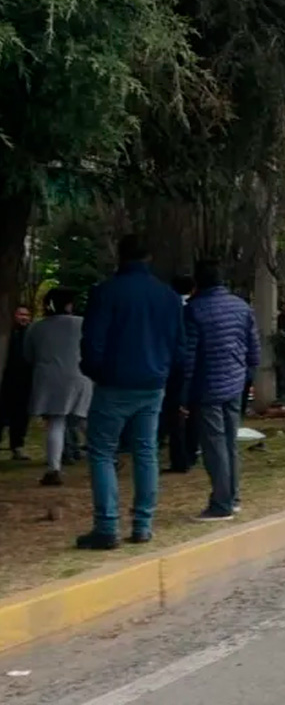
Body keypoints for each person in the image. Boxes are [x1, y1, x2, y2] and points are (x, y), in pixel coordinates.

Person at [77, 234, 184, 550]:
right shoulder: (167, 295)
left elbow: (92, 341)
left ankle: (106, 525)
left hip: (114, 382)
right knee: (145, 450)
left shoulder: (105, 293)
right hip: (153, 383)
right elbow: (180, 346)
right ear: (149, 257)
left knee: (101, 451)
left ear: (119, 256)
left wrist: (96, 371)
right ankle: (143, 524)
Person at [182, 260, 260, 522]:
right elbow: (254, 348)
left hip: (207, 386)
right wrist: (246, 375)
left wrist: (183, 394)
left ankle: (221, 503)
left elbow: (189, 357)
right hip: (235, 382)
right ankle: (233, 496)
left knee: (214, 445)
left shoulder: (194, 310)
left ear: (197, 283)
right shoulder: (241, 306)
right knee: (229, 441)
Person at [25, 288, 93, 487]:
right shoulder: (82, 324)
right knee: (83, 419)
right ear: (69, 304)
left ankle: (53, 468)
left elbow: (28, 355)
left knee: (56, 422)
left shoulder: (36, 328)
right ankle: (106, 457)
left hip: (49, 378)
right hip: (80, 375)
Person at [160, 276, 200, 474]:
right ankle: (191, 452)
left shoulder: (168, 308)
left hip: (174, 367)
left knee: (175, 414)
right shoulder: (195, 308)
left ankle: (179, 459)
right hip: (195, 368)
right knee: (191, 412)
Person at [1, 305, 33, 460]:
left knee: (20, 417)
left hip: (24, 382)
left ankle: (17, 446)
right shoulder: (8, 335)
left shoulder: (31, 335)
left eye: (26, 315)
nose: (24, 318)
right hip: (6, 380)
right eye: (21, 314)